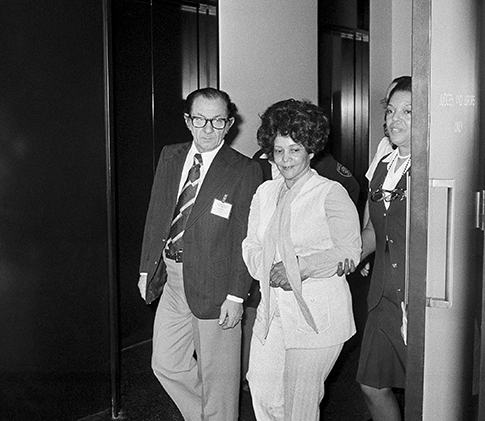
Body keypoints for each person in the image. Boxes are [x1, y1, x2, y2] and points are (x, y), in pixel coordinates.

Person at [138, 87, 262, 421]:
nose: (208, 129)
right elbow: (157, 213)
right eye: (200, 120)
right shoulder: (171, 155)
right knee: (166, 363)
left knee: (219, 379)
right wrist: (145, 269)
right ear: (188, 121)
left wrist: (237, 296)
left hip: (218, 285)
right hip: (174, 280)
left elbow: (244, 236)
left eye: (217, 121)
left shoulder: (244, 169)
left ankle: (217, 414)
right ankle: (210, 416)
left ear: (229, 124)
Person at [242, 98, 361, 420]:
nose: (285, 159)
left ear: (310, 150)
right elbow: (251, 243)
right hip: (272, 313)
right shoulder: (264, 192)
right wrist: (265, 268)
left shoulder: (329, 192)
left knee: (299, 406)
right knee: (263, 393)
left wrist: (298, 267)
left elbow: (349, 251)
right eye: (279, 151)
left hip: (317, 317)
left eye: (294, 150)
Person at [354, 76, 412, 421]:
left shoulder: (434, 168)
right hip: (382, 295)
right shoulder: (384, 168)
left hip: (418, 297)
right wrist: (336, 260)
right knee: (372, 385)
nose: (395, 119)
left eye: (408, 111)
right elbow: (374, 229)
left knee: (427, 390)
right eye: (391, 111)